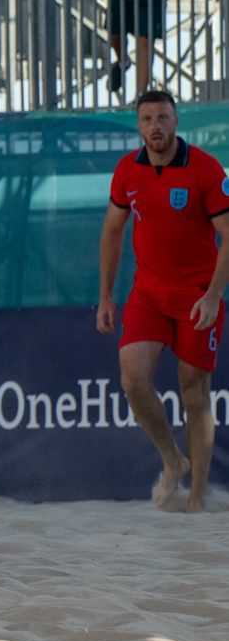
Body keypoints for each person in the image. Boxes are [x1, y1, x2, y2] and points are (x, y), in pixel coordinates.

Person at [99, 90, 229, 520]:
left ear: (176, 122)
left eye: (163, 118)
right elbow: (113, 232)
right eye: (147, 118)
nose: (155, 125)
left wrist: (213, 295)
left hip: (197, 298)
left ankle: (197, 499)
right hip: (149, 294)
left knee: (195, 393)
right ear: (138, 126)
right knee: (133, 380)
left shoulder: (205, 169)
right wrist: (105, 297)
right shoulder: (127, 171)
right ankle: (173, 460)